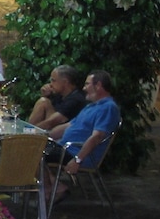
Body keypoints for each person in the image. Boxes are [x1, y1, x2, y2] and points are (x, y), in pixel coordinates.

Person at [46, 70, 121, 204]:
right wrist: (43, 135)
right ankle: (51, 186)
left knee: (33, 152)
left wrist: (78, 160)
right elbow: (68, 126)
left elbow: (97, 137)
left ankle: (53, 188)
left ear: (98, 85)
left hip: (75, 153)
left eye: (87, 84)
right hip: (65, 148)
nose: (84, 88)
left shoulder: (108, 108)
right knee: (32, 145)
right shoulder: (91, 106)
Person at [27, 65, 87, 130]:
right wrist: (45, 95)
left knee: (43, 102)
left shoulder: (76, 99)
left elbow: (52, 122)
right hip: (52, 130)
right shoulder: (58, 95)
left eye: (53, 80)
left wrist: (30, 130)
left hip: (63, 132)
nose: (50, 84)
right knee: (43, 102)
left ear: (65, 82)